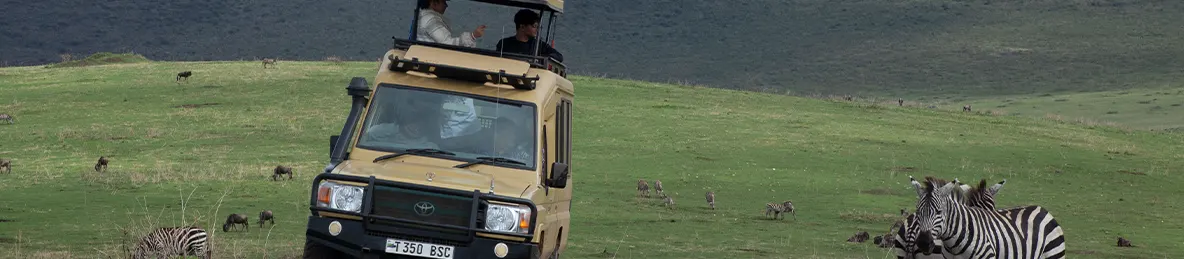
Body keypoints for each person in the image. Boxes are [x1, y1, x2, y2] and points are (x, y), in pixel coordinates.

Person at [496, 9, 564, 62]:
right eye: (534, 26)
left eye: (538, 27)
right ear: (522, 27)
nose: (537, 30)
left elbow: (559, 57)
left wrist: (544, 58)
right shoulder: (504, 43)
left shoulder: (540, 45)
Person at [417, 0, 486, 48]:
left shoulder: (422, 17)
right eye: (443, 2)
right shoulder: (432, 21)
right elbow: (447, 44)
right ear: (433, 2)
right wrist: (473, 36)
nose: (446, 5)